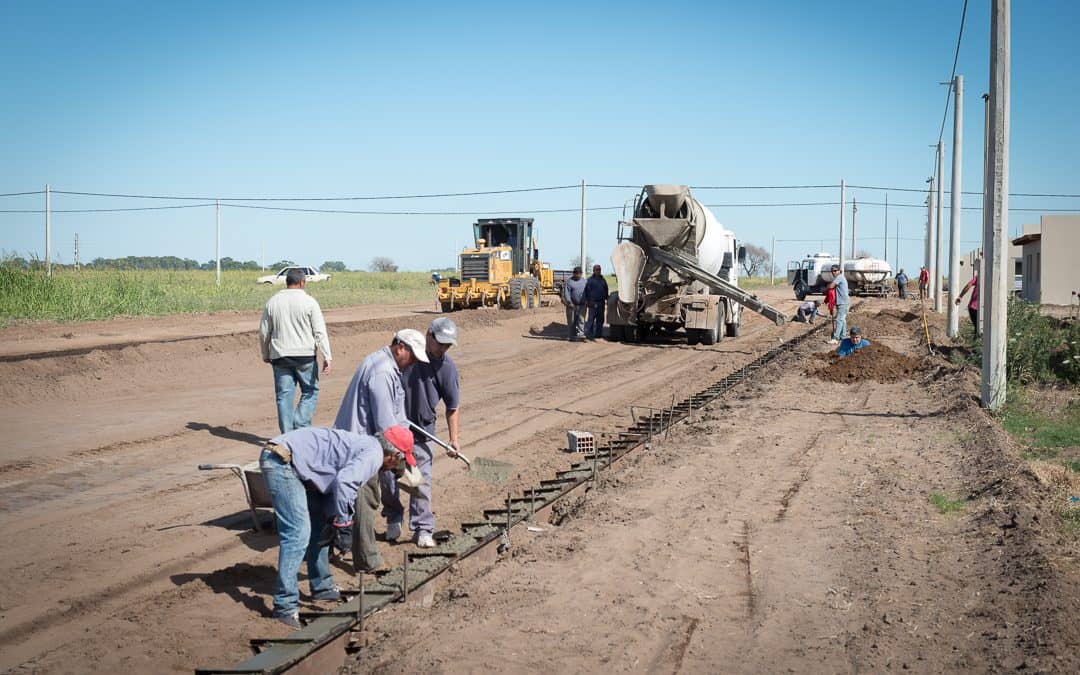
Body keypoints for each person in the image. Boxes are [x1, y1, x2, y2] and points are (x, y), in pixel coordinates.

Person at [259, 424, 416, 628]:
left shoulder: (368, 445)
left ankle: (322, 587)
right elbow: (344, 483)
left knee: (321, 525)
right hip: (282, 462)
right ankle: (284, 606)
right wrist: (344, 524)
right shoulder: (374, 455)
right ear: (394, 455)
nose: (392, 468)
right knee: (298, 534)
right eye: (398, 463)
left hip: (298, 462)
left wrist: (335, 519)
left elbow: (337, 486)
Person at [334, 329, 429, 571]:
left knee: (349, 499)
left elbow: (398, 417)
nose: (414, 363)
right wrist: (401, 464)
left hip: (358, 439)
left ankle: (331, 546)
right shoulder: (383, 372)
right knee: (366, 498)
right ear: (400, 348)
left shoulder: (383, 363)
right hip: (360, 445)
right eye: (413, 357)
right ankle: (367, 560)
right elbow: (386, 428)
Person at [383, 317, 461, 549]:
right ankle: (394, 516)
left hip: (422, 431)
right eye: (440, 343)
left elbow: (452, 406)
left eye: (448, 345)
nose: (443, 348)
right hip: (394, 430)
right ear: (429, 335)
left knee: (419, 481)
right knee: (388, 478)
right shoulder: (408, 354)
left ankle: (423, 528)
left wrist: (453, 439)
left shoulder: (447, 368)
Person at [259, 268, 332, 434]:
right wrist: (327, 356)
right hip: (305, 357)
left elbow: (264, 332)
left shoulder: (272, 302)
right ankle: (300, 423)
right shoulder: (310, 302)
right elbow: (319, 332)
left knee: (284, 397)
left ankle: (287, 437)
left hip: (280, 356)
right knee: (310, 391)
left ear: (287, 282)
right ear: (302, 283)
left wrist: (265, 353)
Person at [583, 264, 609, 340]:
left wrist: (607, 299)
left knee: (600, 320)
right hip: (592, 303)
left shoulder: (603, 280)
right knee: (591, 319)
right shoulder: (590, 280)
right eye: (597, 269)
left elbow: (606, 290)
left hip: (601, 303)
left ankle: (598, 334)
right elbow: (586, 292)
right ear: (593, 271)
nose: (598, 271)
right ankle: (589, 334)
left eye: (599, 269)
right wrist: (588, 301)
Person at [562, 266, 587, 341]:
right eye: (576, 273)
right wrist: (569, 302)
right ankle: (572, 336)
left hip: (582, 305)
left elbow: (588, 291)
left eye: (579, 273)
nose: (578, 275)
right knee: (572, 321)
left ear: (581, 273)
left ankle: (580, 335)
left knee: (581, 320)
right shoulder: (569, 282)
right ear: (574, 273)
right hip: (572, 305)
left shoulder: (585, 281)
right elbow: (566, 293)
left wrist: (587, 300)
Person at [826, 265, 850, 346]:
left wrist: (828, 286)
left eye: (835, 270)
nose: (833, 272)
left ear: (839, 271)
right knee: (842, 320)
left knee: (839, 320)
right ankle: (843, 337)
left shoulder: (839, 277)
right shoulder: (840, 277)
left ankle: (835, 338)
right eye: (832, 271)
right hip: (844, 302)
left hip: (842, 302)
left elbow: (831, 286)